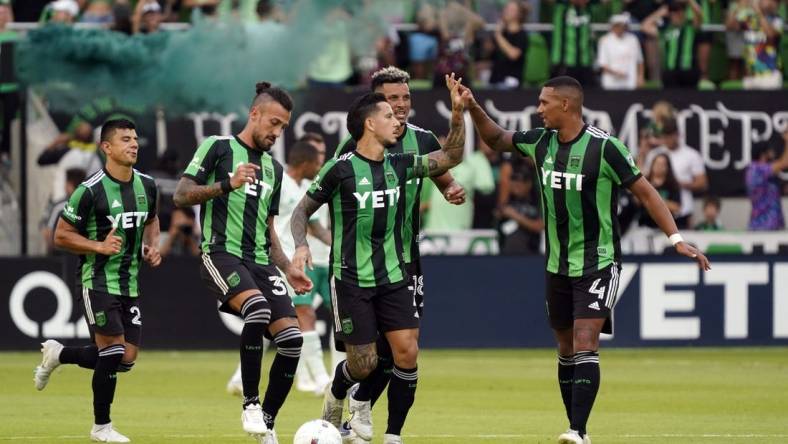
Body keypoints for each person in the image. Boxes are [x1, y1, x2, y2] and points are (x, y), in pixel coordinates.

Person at [457, 75, 710, 444]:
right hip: (557, 263)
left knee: (585, 337)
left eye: (544, 102)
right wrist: (473, 106)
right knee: (565, 346)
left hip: (599, 260)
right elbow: (497, 138)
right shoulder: (540, 143)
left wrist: (676, 239)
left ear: (566, 105)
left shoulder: (606, 148)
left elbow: (647, 192)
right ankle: (578, 427)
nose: (537, 108)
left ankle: (577, 430)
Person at [290, 76, 466, 444]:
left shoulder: (402, 163)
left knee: (406, 351)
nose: (398, 117)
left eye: (401, 105)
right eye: (388, 111)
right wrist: (301, 245)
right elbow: (301, 211)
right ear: (370, 122)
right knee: (363, 363)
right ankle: (339, 392)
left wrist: (458, 113)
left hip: (396, 272)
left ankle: (393, 435)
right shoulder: (340, 167)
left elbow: (451, 156)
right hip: (352, 277)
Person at [173, 82, 312, 444]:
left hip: (262, 262)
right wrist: (226, 184)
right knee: (258, 310)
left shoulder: (275, 170)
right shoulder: (218, 148)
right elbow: (181, 195)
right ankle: (250, 403)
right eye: (274, 123)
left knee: (293, 340)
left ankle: (266, 423)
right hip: (221, 254)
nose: (277, 133)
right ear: (255, 114)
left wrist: (287, 267)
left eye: (283, 127)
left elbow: (268, 230)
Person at [34, 119, 161, 443]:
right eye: (125, 140)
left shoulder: (147, 185)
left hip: (129, 282)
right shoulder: (89, 190)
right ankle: (101, 427)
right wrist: (98, 246)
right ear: (106, 147)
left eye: (134, 139)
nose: (133, 144)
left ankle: (59, 355)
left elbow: (152, 219)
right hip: (97, 279)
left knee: (126, 358)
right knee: (113, 351)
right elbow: (61, 236)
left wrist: (152, 246)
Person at [641, 118, 708, 228]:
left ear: (678, 135)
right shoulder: (655, 154)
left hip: (682, 211)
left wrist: (678, 183)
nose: (668, 140)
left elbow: (702, 183)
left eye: (671, 136)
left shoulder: (691, 155)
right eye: (665, 136)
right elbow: (645, 178)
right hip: (654, 211)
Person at [642, 0, 704, 88]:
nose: (676, 14)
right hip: (669, 72)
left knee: (690, 99)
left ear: (684, 12)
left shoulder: (690, 26)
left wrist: (690, 1)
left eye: (679, 11)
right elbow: (644, 26)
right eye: (673, 12)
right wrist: (661, 12)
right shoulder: (664, 30)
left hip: (689, 70)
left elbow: (700, 15)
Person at [746, 130, 788, 230]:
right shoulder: (756, 169)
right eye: (769, 151)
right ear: (763, 154)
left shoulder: (763, 171)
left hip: (773, 225)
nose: (772, 153)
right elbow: (784, 163)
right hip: (763, 226)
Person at [40, 168, 86, 255]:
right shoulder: (91, 206)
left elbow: (48, 232)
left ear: (69, 185)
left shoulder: (60, 207)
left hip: (60, 256)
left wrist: (50, 252)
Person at [498, 169, 544, 255]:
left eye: (521, 180)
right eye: (513, 179)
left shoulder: (537, 201)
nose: (516, 184)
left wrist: (516, 216)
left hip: (530, 255)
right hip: (505, 255)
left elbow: (539, 226)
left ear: (529, 184)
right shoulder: (507, 199)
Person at [551, 0, 595, 86]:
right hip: (564, 61)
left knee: (587, 95)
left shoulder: (589, 8)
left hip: (586, 61)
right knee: (563, 93)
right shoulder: (561, 7)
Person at [597, 13, 645, 90]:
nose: (620, 29)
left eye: (623, 26)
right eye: (618, 26)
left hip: (629, 81)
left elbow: (640, 61)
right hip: (611, 83)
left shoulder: (633, 39)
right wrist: (617, 73)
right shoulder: (605, 40)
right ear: (613, 26)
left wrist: (640, 77)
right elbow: (602, 64)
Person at [489, 0, 529, 89]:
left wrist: (498, 35)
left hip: (511, 82)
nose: (506, 11)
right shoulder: (502, 33)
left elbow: (514, 54)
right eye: (506, 8)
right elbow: (490, 54)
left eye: (511, 9)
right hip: (495, 80)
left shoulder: (522, 35)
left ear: (519, 14)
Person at [638, 153, 681, 228]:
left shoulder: (672, 185)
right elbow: (637, 201)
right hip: (644, 225)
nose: (659, 167)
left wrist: (654, 199)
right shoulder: (645, 182)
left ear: (668, 167)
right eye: (657, 163)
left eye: (662, 164)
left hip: (665, 227)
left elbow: (676, 207)